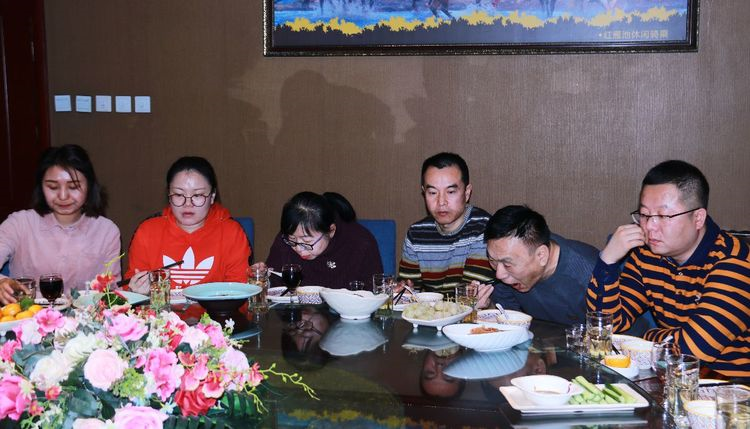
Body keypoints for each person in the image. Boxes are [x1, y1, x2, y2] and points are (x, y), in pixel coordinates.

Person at [587, 160, 750, 379]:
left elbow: (692, 351)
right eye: (644, 215)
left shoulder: (735, 262)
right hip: (671, 379)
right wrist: (607, 261)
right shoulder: (646, 254)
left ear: (698, 218)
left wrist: (647, 336)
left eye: (663, 216)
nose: (649, 226)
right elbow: (606, 325)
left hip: (732, 387)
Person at [0, 144, 121, 304]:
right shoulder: (19, 224)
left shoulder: (107, 231)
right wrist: (2, 282)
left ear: (90, 186)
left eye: (73, 187)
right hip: (26, 315)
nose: (63, 196)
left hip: (84, 317)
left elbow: (111, 293)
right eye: (53, 187)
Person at [126, 156, 251, 294]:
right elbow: (129, 285)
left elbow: (239, 290)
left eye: (197, 195)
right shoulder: (147, 231)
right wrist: (136, 292)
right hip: (159, 308)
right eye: (179, 195)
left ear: (212, 196)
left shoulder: (231, 232)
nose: (188, 204)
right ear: (169, 195)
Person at [398, 152, 494, 302]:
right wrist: (403, 291)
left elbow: (469, 295)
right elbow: (409, 290)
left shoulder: (484, 228)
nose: (441, 202)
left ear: (467, 192)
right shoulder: (416, 234)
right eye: (432, 192)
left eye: (450, 192)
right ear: (424, 193)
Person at [485, 205, 599, 325]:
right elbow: (508, 320)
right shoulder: (505, 263)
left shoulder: (590, 277)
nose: (499, 274)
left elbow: (607, 331)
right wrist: (487, 307)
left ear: (541, 255)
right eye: (492, 260)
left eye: (507, 265)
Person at [255, 191, 382, 289]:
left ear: (331, 231)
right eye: (292, 240)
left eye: (307, 242)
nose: (299, 249)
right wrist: (262, 279)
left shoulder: (360, 242)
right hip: (294, 314)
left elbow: (374, 292)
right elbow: (274, 286)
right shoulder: (287, 238)